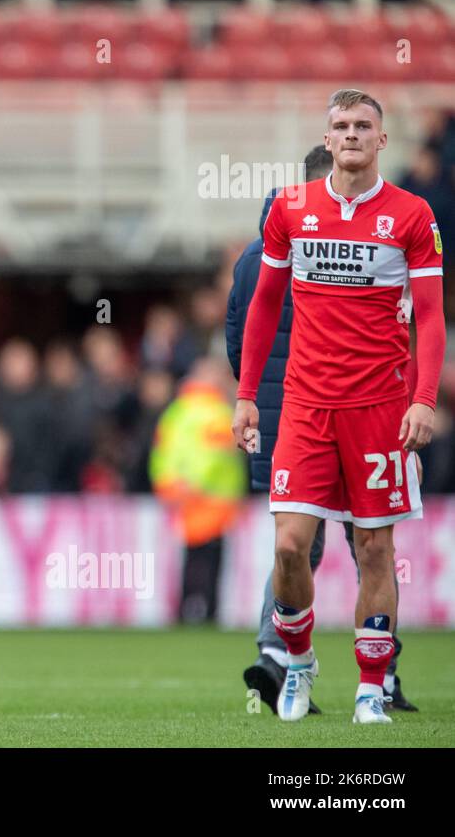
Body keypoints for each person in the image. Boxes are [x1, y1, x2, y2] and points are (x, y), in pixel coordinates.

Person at [232, 89, 445, 724]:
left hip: (379, 409)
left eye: (363, 126)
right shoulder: (291, 209)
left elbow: (432, 318)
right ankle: (297, 661)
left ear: (382, 140)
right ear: (326, 140)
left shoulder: (412, 215)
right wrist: (246, 397)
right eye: (340, 126)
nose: (350, 135)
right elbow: (263, 305)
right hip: (304, 407)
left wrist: (424, 400)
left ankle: (371, 686)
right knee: (290, 548)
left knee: (375, 551)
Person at [150, 357, 247, 623]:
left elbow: (162, 452)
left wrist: (169, 485)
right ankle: (208, 611)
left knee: (192, 557)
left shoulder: (177, 410)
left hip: (183, 495)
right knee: (211, 559)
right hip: (212, 497)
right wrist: (199, 483)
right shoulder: (217, 411)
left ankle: (184, 610)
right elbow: (215, 457)